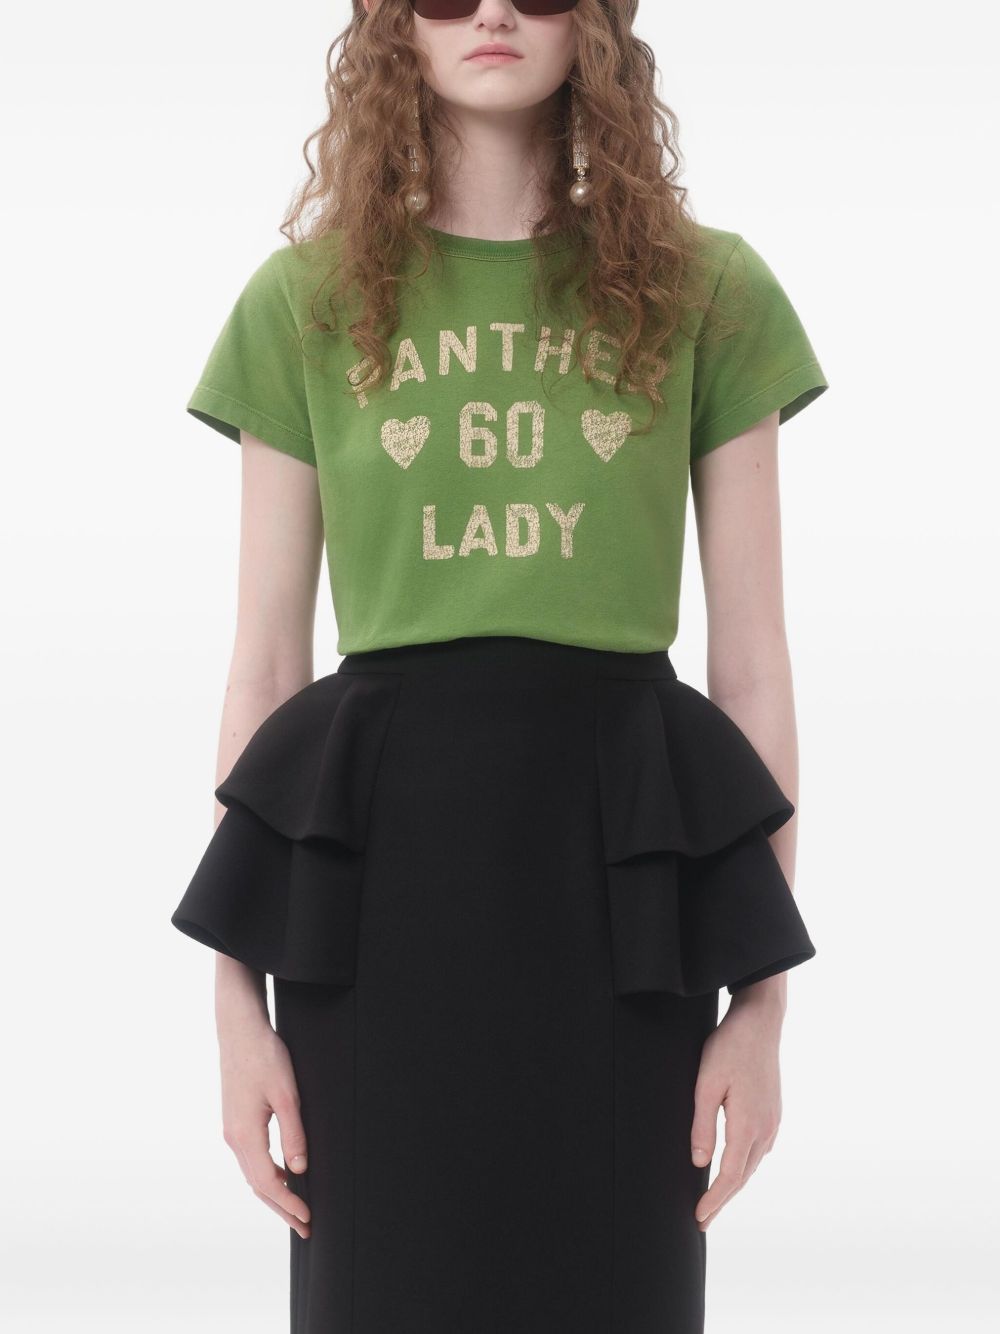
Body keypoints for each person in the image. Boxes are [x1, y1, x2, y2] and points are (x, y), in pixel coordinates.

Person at [169, 2, 828, 1331]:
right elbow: (266, 671)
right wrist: (233, 1006)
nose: (490, 11)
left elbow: (753, 673)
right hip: (375, 892)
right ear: (389, 27)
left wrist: (763, 1006)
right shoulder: (305, 300)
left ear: (600, 23)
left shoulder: (710, 290)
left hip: (622, 888)